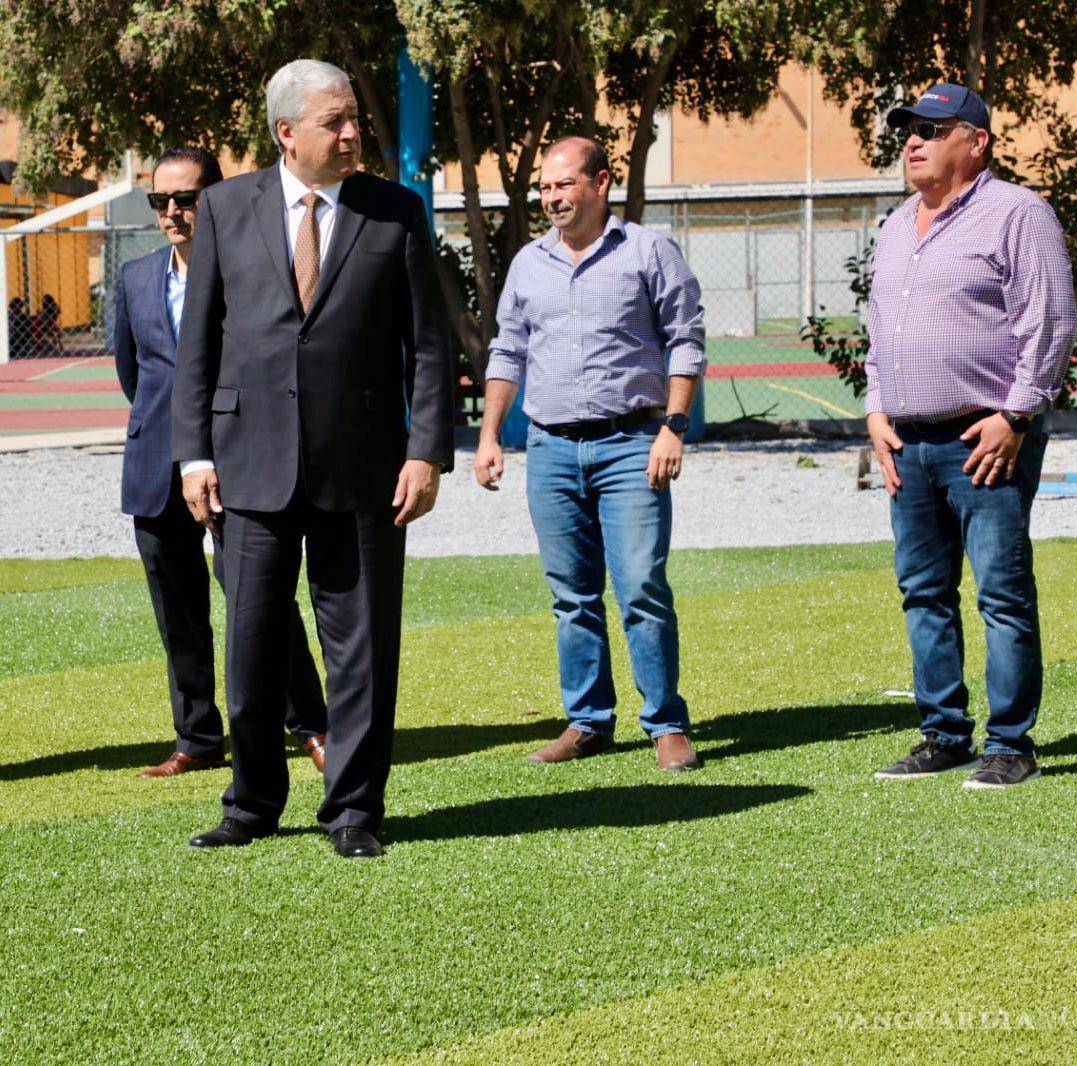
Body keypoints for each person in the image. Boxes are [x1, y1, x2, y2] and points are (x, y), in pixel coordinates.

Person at [172, 59, 453, 856]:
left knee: (360, 646)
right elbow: (199, 344)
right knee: (253, 645)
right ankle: (252, 804)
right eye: (335, 121)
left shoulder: (395, 211)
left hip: (365, 468)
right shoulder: (226, 207)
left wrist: (426, 452)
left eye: (353, 117)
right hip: (246, 467)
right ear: (286, 132)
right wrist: (192, 453)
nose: (352, 132)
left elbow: (425, 347)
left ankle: (355, 812)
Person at [867, 84, 1076, 789]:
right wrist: (874, 411)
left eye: (931, 128)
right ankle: (942, 733)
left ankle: (1010, 742)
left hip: (984, 439)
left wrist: (1016, 416)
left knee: (1000, 592)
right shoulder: (896, 224)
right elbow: (879, 335)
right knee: (922, 592)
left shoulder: (1016, 213)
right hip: (907, 440)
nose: (912, 140)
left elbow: (1047, 322)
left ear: (975, 142)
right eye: (908, 129)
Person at [475, 136, 706, 772]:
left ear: (600, 182)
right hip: (549, 448)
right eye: (544, 188)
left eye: (563, 185)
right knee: (572, 597)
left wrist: (674, 427)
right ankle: (588, 721)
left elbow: (685, 342)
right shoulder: (527, 263)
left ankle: (665, 724)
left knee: (640, 590)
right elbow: (508, 352)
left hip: (633, 442)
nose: (551, 198)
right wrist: (492, 435)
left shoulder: (648, 251)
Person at [115, 146, 329, 779]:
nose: (174, 213)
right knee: (177, 611)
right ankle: (198, 737)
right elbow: (137, 376)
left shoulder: (256, 267)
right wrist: (179, 446)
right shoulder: (135, 279)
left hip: (241, 463)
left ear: (218, 195)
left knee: (263, 601)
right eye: (161, 201)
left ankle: (312, 725)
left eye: (187, 198)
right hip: (157, 469)